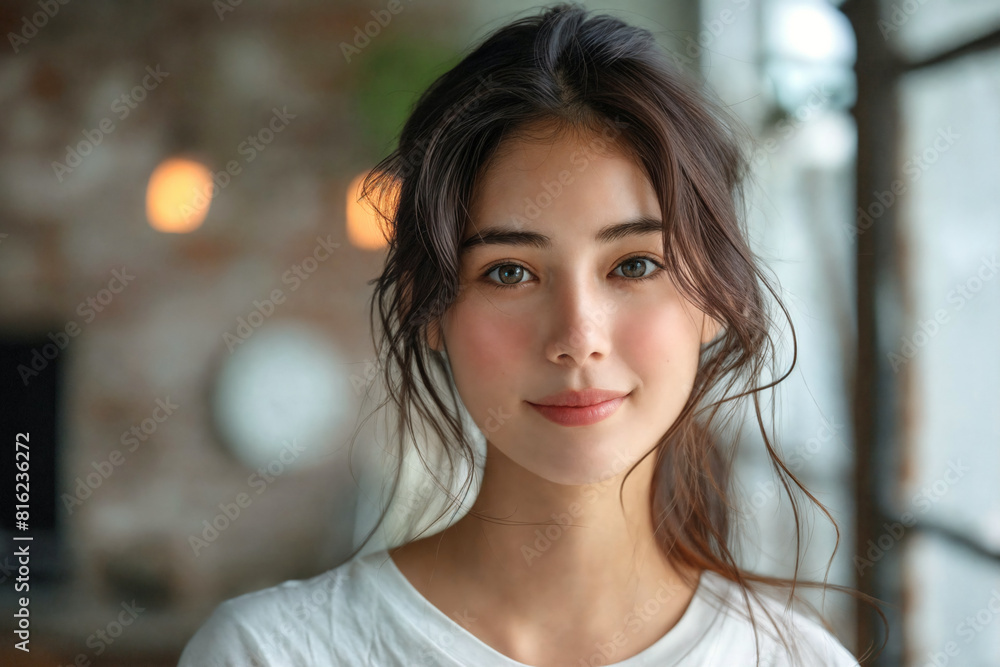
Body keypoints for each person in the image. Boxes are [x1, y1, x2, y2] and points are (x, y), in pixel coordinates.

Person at [179, 3, 886, 665]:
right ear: (427, 309)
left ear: (716, 299)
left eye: (635, 264)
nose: (578, 336)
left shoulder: (797, 659)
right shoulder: (270, 653)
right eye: (510, 271)